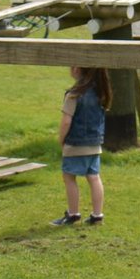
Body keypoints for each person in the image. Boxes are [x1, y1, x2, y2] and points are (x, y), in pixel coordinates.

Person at [51, 66, 111, 227]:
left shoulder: (74, 95)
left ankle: (73, 213)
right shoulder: (101, 92)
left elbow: (66, 121)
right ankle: (97, 215)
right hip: (95, 144)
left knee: (69, 177)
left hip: (75, 144)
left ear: (77, 69)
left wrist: (61, 139)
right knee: (94, 177)